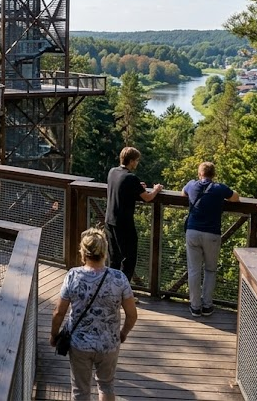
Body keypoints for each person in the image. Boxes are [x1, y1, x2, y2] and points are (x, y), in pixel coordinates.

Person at [49, 228, 137, 401]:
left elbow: (59, 312)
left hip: (79, 344)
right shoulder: (119, 278)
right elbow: (132, 315)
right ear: (104, 252)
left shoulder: (73, 275)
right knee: (106, 386)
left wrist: (54, 335)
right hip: (109, 343)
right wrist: (123, 334)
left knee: (80, 391)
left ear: (83, 252)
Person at [182, 161, 239, 317]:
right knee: (210, 269)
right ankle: (207, 306)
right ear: (214, 175)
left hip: (192, 231)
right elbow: (235, 198)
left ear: (199, 173)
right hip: (212, 234)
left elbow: (183, 193)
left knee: (194, 270)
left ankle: (195, 306)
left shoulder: (192, 185)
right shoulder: (219, 188)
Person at [104, 146, 163, 282]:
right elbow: (147, 197)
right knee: (129, 258)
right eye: (136, 160)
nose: (137, 163)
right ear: (131, 161)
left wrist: (137, 187)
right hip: (124, 223)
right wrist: (156, 190)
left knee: (114, 257)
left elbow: (121, 187)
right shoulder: (131, 178)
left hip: (109, 220)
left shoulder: (113, 172)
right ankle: (123, 288)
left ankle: (111, 287)